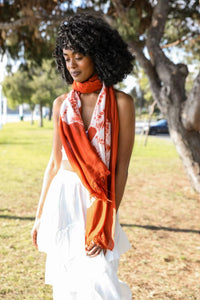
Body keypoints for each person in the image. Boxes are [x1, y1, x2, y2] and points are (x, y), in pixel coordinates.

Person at [31, 13, 135, 300]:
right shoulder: (62, 105)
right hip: (62, 196)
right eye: (66, 57)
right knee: (67, 284)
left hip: (98, 199)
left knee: (102, 282)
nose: (72, 65)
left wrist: (107, 219)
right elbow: (53, 164)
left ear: (98, 55)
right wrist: (39, 217)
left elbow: (122, 167)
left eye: (79, 56)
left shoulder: (122, 103)